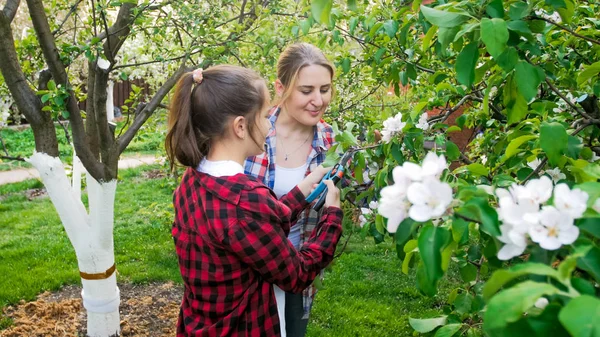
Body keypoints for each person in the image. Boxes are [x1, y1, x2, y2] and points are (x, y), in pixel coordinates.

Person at [165, 64, 344, 337]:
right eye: (263, 117)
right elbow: (297, 274)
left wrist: (302, 190)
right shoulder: (245, 201)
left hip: (201, 324)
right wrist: (332, 216)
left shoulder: (194, 180)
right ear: (240, 126)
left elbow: (258, 233)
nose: (268, 126)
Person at [244, 42, 336, 337]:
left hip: (297, 271)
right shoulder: (249, 131)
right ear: (281, 88)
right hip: (245, 272)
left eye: (325, 89)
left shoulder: (330, 141)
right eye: (306, 90)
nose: (318, 100)